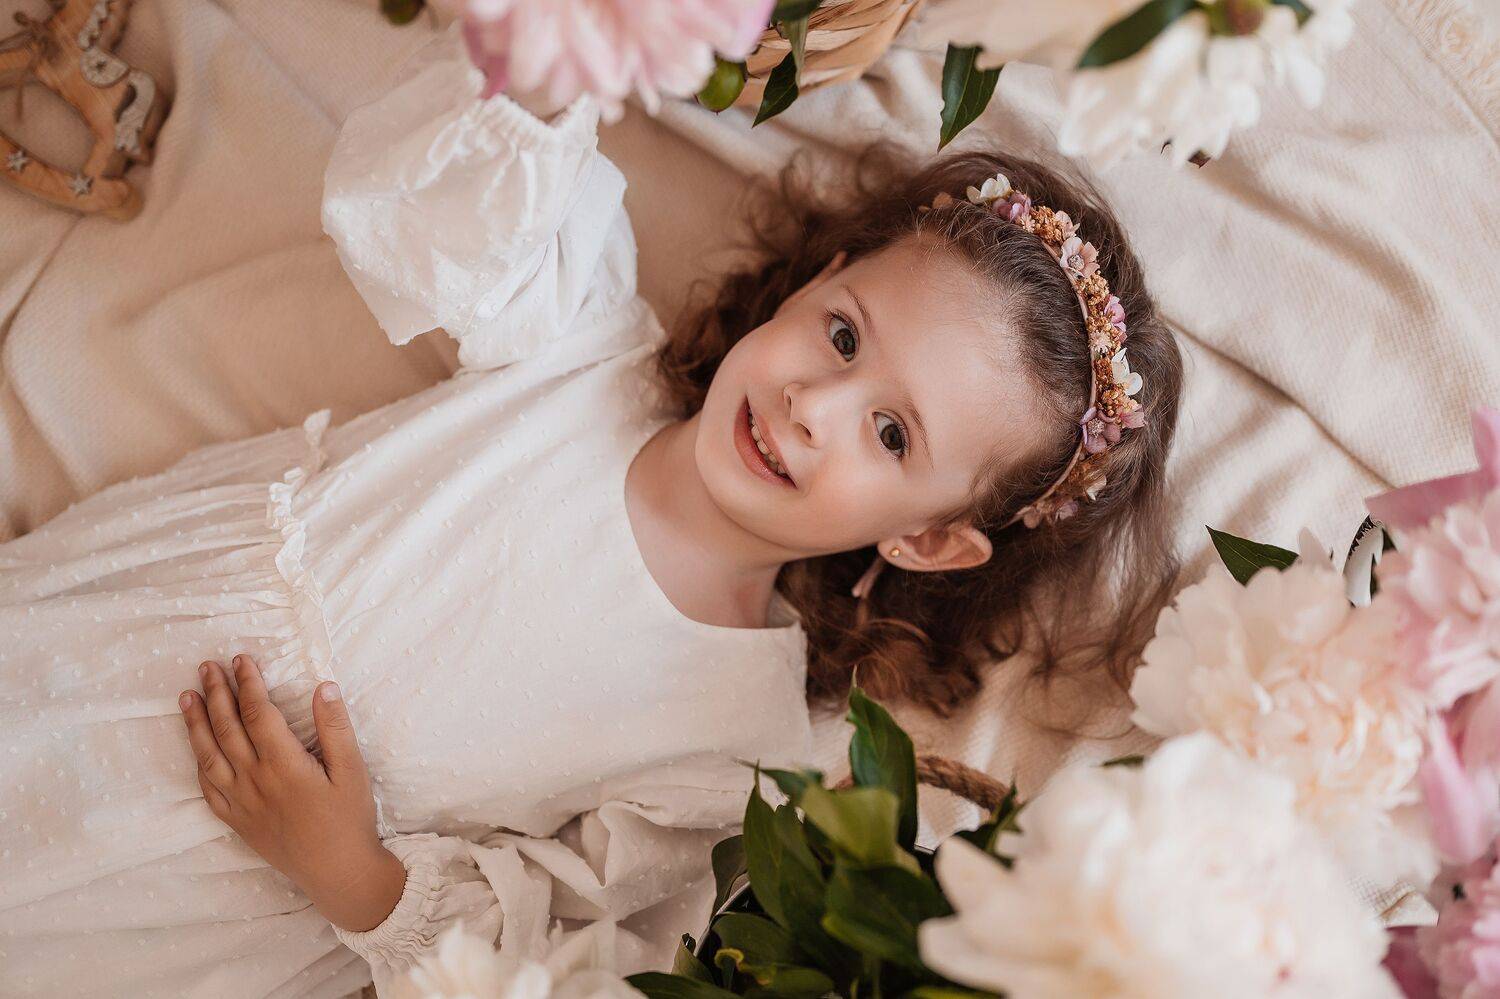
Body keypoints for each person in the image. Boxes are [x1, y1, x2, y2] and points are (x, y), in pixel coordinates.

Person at [0, 22, 1183, 998]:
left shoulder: (732, 742)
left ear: (927, 537)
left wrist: (353, 875)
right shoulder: (579, 331)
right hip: (118, 628)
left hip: (206, 885)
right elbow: (461, 190)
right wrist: (563, 56)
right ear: (819, 281)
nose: (815, 405)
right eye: (842, 336)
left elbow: (563, 948)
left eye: (892, 434)